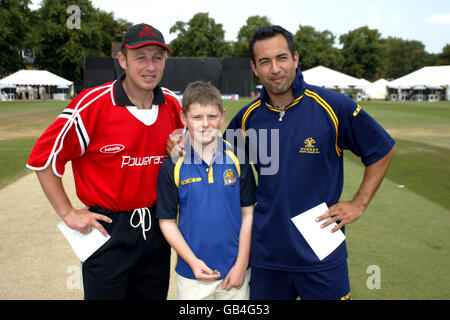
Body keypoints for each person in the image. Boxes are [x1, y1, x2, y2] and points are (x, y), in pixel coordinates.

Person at [224, 25, 395, 300]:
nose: (275, 68)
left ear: (296, 59)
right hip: (267, 255)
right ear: (254, 68)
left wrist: (359, 203)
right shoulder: (247, 118)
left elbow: (382, 149)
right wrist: (182, 146)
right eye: (265, 62)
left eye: (281, 58)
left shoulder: (333, 105)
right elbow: (219, 162)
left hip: (322, 251)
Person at [26, 23, 184, 300]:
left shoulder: (172, 104)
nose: (150, 66)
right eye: (141, 57)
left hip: (157, 227)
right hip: (108, 229)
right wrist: (68, 213)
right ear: (122, 60)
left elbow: (194, 155)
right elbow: (44, 159)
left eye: (157, 58)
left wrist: (182, 151)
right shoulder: (92, 105)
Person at [156, 81, 257, 300]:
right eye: (196, 117)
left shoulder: (238, 158)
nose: (205, 124)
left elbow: (248, 214)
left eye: (212, 117)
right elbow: (166, 221)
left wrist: (241, 264)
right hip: (192, 273)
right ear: (184, 119)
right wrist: (193, 262)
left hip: (234, 272)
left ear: (222, 116)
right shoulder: (173, 165)